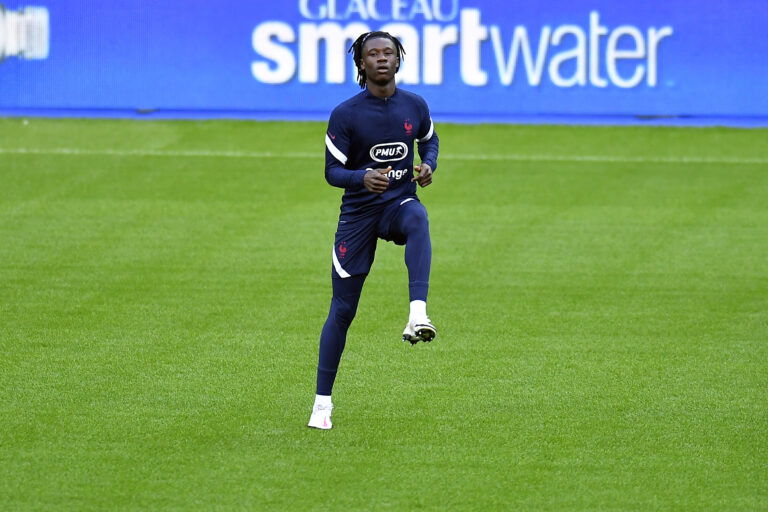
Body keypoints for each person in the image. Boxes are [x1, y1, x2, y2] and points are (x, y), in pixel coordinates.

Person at [308, 31, 440, 430]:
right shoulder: (346, 114)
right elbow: (332, 172)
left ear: (398, 59)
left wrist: (428, 165)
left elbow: (429, 142)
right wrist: (361, 178)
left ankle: (417, 314)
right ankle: (321, 405)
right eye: (373, 54)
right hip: (359, 218)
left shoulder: (414, 105)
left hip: (396, 207)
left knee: (418, 217)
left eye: (388, 52)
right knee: (343, 310)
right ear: (361, 64)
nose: (382, 58)